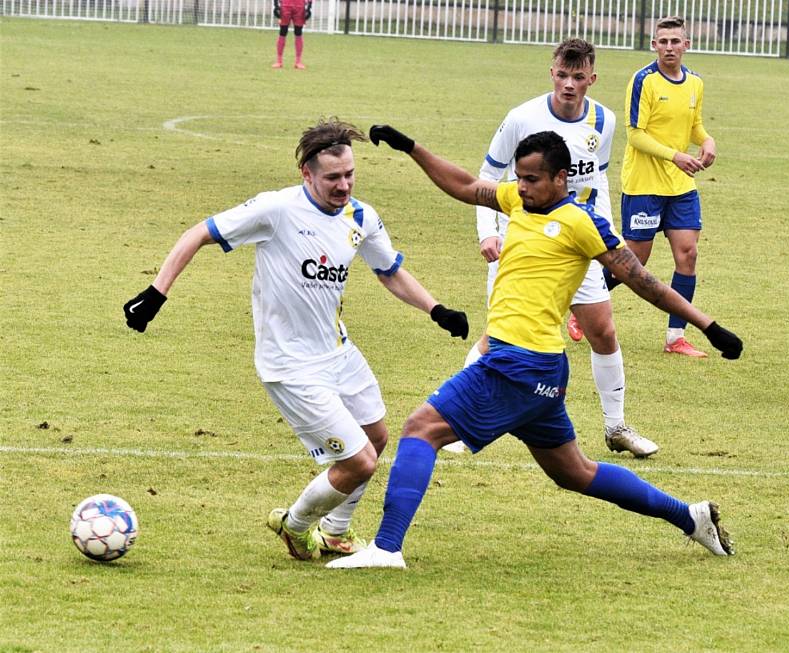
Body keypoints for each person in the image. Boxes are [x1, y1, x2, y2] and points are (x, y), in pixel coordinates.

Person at [326, 125, 742, 569]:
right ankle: (691, 517)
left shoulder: (581, 223)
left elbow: (646, 283)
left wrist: (707, 326)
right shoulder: (517, 202)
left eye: (532, 179)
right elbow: (466, 185)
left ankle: (387, 549)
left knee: (420, 429)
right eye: (519, 178)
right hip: (539, 370)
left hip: (519, 365)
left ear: (561, 177)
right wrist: (411, 148)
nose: (521, 187)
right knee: (576, 472)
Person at [123, 118, 469, 562]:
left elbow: (390, 272)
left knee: (376, 436)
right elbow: (199, 233)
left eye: (349, 174)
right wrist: (156, 293)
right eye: (332, 178)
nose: (344, 185)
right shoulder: (276, 210)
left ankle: (335, 532)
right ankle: (296, 526)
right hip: (290, 364)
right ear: (306, 174)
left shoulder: (360, 217)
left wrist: (435, 309)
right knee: (359, 462)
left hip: (339, 353)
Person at [448, 37, 657, 458]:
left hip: (577, 244)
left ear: (591, 79)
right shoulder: (521, 118)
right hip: (523, 243)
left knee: (604, 331)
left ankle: (616, 427)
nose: (568, 84)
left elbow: (595, 183)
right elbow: (485, 178)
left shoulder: (604, 120)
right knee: (498, 337)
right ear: (552, 74)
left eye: (578, 77)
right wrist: (487, 232)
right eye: (562, 75)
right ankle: (456, 423)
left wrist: (606, 238)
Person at [604, 16, 717, 357]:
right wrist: (675, 156)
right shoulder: (643, 81)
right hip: (644, 184)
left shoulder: (695, 82)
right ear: (654, 45)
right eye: (662, 41)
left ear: (687, 45)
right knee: (635, 260)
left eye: (675, 41)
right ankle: (584, 300)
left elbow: (694, 124)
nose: (669, 47)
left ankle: (675, 337)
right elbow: (636, 134)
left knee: (688, 254)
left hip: (680, 186)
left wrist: (707, 139)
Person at [271, 0, 312, 69]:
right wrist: (276, 5)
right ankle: (279, 61)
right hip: (285, 5)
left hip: (299, 6)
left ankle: (298, 62)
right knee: (283, 31)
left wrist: (309, 7)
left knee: (298, 32)